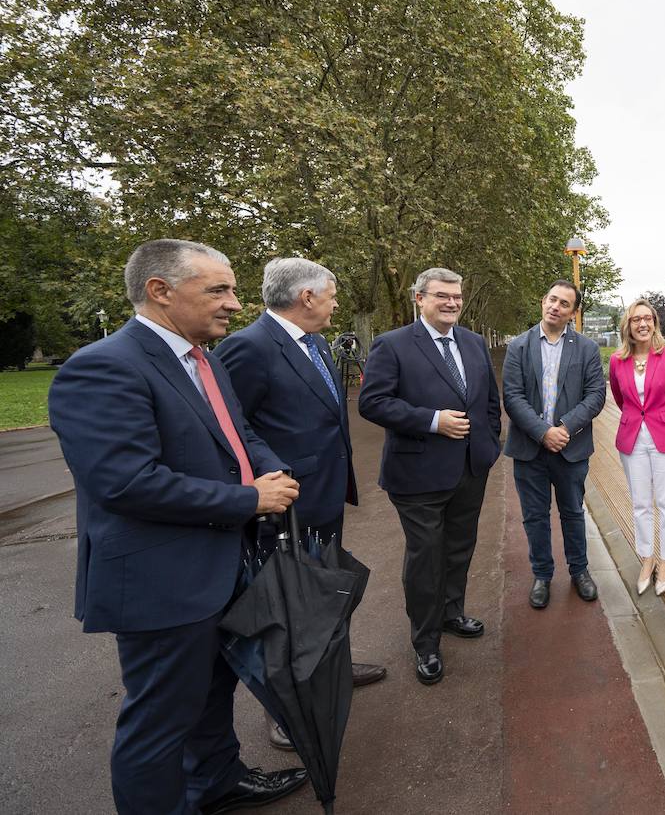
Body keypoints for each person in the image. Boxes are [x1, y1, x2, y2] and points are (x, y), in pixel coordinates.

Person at [47, 239, 308, 814]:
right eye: (218, 289)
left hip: (221, 566)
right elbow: (126, 483)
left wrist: (270, 467)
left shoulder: (203, 357)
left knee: (213, 692)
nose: (234, 304)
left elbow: (237, 434)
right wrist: (248, 498)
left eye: (233, 289)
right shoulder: (102, 367)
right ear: (159, 291)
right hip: (162, 581)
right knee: (159, 723)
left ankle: (215, 782)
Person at [217, 257, 388, 750]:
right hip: (284, 504)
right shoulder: (247, 348)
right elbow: (234, 430)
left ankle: (330, 667)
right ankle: (284, 703)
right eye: (331, 295)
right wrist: (269, 481)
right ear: (307, 297)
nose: (337, 304)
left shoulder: (314, 342)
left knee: (323, 589)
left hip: (325, 494)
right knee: (286, 603)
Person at [357, 268, 501, 686]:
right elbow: (373, 402)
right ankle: (426, 642)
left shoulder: (473, 342)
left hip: (470, 469)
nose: (452, 303)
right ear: (419, 298)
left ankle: (452, 613)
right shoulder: (393, 344)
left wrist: (488, 446)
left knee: (459, 549)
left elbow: (489, 402)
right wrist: (432, 420)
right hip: (417, 474)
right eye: (442, 296)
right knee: (425, 558)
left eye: (457, 296)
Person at [502, 280, 607, 608]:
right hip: (529, 449)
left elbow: (595, 395)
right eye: (551, 300)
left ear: (572, 313)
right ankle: (542, 575)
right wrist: (542, 432)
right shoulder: (518, 346)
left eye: (564, 304)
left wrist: (564, 428)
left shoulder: (586, 348)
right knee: (534, 516)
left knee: (573, 512)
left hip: (571, 448)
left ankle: (580, 571)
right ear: (542, 301)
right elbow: (512, 396)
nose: (555, 307)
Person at [607, 298, 665, 596]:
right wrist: (638, 420)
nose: (642, 324)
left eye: (647, 318)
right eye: (635, 319)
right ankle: (647, 558)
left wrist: (663, 421)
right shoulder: (617, 360)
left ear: (655, 322)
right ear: (627, 325)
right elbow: (620, 397)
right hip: (632, 439)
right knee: (641, 503)